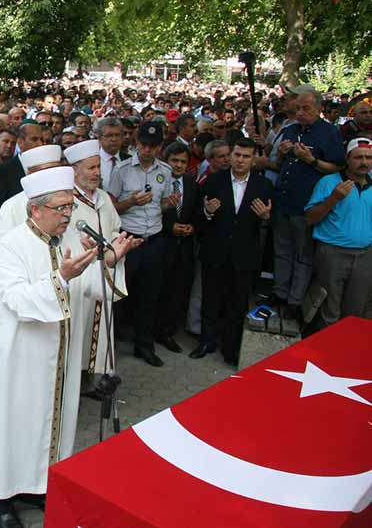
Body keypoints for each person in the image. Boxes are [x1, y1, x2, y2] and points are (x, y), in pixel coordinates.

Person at [0, 166, 138, 528]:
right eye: (62, 208)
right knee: (15, 423)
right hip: (22, 356)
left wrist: (108, 262)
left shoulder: (67, 241)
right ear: (35, 209)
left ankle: (37, 484)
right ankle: (0, 496)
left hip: (61, 357)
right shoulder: (11, 247)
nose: (70, 215)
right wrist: (62, 278)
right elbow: (17, 299)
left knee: (55, 421)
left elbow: (88, 293)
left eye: (70, 208)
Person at [191, 139, 273, 365]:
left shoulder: (263, 185)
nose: (240, 160)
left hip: (244, 255)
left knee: (237, 304)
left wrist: (266, 218)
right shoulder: (213, 181)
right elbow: (198, 216)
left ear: (253, 159)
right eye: (237, 155)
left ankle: (231, 348)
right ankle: (206, 342)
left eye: (246, 156)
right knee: (210, 299)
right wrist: (207, 212)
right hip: (215, 251)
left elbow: (268, 224)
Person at [269, 85, 345, 321]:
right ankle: (279, 293)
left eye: (306, 108)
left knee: (302, 253)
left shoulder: (329, 133)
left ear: (319, 108)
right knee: (282, 250)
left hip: (306, 203)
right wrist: (281, 153)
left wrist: (310, 160)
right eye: (298, 108)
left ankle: (294, 299)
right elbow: (279, 164)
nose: (301, 112)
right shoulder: (291, 129)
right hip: (283, 199)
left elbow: (337, 166)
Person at [107, 122, 174, 367]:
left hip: (153, 239)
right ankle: (109, 347)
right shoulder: (122, 170)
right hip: (128, 238)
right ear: (136, 143)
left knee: (150, 295)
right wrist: (131, 203)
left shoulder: (165, 171)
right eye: (143, 144)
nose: (147, 150)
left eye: (153, 146)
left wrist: (171, 203)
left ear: (159, 147)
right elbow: (111, 207)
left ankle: (143, 345)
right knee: (120, 295)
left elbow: (162, 204)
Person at [63, 140, 129, 381]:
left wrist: (118, 246)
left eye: (98, 167)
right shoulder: (65, 199)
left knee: (99, 330)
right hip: (79, 278)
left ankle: (94, 377)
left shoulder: (102, 197)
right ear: (75, 170)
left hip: (103, 273)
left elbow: (114, 229)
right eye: (91, 168)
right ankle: (73, 380)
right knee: (78, 329)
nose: (96, 173)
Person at [303, 137, 372, 332]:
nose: (364, 162)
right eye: (358, 157)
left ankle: (344, 355)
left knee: (356, 309)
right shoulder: (329, 182)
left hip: (366, 255)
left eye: (369, 157)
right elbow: (310, 218)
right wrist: (334, 198)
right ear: (348, 158)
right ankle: (321, 355)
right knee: (328, 309)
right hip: (332, 253)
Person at [158, 142, 200, 352]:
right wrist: (169, 227)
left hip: (183, 248)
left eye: (183, 161)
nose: (179, 165)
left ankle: (167, 332)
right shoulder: (158, 182)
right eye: (174, 160)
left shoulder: (192, 184)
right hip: (161, 244)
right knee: (157, 291)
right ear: (166, 161)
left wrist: (191, 226)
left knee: (176, 292)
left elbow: (197, 214)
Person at [0, 145, 62, 244]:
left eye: (55, 171)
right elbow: (2, 246)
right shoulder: (11, 206)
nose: (51, 176)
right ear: (30, 174)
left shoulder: (69, 201)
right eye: (45, 172)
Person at [0, 122, 44, 218]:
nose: (40, 144)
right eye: (34, 139)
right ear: (20, 142)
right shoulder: (4, 171)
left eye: (42, 140)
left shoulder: (47, 167)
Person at [95, 117, 128, 189]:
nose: (114, 139)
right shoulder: (93, 161)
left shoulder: (129, 160)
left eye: (117, 135)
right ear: (100, 138)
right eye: (109, 135)